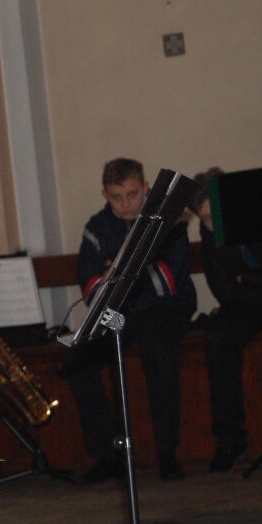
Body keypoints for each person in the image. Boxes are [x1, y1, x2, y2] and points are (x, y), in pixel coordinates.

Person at [66, 158, 196, 483]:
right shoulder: (97, 228)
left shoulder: (170, 223)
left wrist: (131, 261)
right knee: (77, 360)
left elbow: (169, 283)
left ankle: (167, 453)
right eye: (116, 196)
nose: (125, 203)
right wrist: (110, 284)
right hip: (118, 315)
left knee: (159, 354)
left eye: (133, 194)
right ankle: (108, 454)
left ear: (146, 188)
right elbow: (89, 284)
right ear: (105, 195)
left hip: (165, 309)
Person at [192, 169, 262, 471]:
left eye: (217, 216)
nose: (214, 225)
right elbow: (222, 289)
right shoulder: (209, 233)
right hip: (247, 304)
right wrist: (255, 287)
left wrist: (247, 280)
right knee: (218, 338)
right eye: (206, 219)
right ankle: (230, 437)